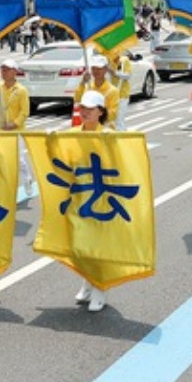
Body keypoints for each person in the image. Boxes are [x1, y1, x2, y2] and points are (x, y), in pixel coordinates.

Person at [69, 90, 112, 312]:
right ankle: (87, 283)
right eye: (82, 108)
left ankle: (99, 290)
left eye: (90, 109)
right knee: (81, 246)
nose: (84, 112)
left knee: (98, 246)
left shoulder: (109, 136)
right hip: (79, 198)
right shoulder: (72, 134)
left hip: (101, 199)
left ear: (101, 112)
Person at [0, 57, 33, 194]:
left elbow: (25, 112)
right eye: (2, 69)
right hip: (0, 129)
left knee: (19, 160)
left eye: (7, 70)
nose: (4, 72)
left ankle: (27, 180)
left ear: (14, 72)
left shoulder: (21, 90)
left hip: (16, 130)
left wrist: (14, 124)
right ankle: (4, 184)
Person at [74, 55, 120, 130]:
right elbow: (77, 99)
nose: (96, 71)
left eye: (99, 68)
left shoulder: (113, 90)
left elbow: (113, 114)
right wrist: (82, 83)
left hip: (105, 129)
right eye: (93, 68)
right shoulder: (88, 87)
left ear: (105, 69)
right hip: (88, 128)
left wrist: (96, 115)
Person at [108, 51, 132, 131]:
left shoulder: (125, 60)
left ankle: (122, 138)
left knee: (120, 118)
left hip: (123, 95)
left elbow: (128, 75)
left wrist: (115, 73)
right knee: (112, 120)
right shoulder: (108, 63)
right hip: (111, 96)